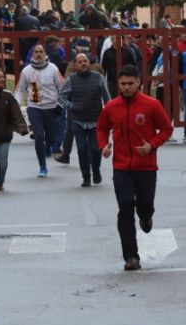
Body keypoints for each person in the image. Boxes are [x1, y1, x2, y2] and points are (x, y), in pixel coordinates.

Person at [97, 66, 174, 271]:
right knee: (124, 208)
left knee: (145, 205)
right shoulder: (111, 107)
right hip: (121, 167)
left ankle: (146, 216)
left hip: (146, 167)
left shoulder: (151, 105)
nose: (127, 87)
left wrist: (151, 145)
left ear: (138, 82)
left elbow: (167, 129)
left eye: (130, 83)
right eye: (123, 84)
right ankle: (131, 256)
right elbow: (102, 128)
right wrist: (104, 145)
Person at [15, 44, 66, 178]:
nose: (38, 54)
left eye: (41, 52)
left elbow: (63, 87)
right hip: (34, 107)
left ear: (45, 54)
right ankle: (42, 166)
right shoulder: (26, 70)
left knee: (51, 138)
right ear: (32, 55)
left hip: (51, 107)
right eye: (36, 52)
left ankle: (49, 146)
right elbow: (20, 89)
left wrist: (60, 104)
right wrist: (16, 104)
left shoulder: (53, 68)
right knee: (39, 136)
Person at [64, 51, 110, 186]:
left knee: (96, 149)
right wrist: (71, 106)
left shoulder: (98, 78)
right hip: (77, 120)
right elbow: (61, 98)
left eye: (85, 61)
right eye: (80, 62)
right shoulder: (71, 80)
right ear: (75, 65)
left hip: (96, 120)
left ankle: (96, 170)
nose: (83, 63)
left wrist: (109, 112)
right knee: (81, 148)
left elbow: (107, 97)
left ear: (89, 63)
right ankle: (86, 177)